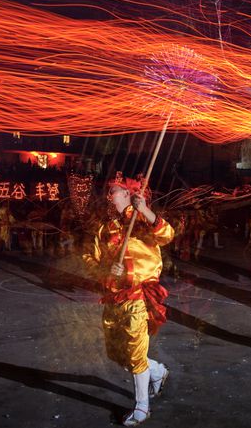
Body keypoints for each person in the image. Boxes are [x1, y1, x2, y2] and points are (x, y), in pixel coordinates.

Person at [83, 176, 174, 426]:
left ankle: (142, 407)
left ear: (126, 193)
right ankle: (157, 371)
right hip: (114, 296)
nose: (109, 195)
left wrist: (144, 208)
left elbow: (167, 235)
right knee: (117, 352)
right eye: (109, 191)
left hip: (138, 295)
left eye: (113, 191)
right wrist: (105, 270)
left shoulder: (142, 220)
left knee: (135, 351)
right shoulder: (105, 228)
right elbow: (89, 257)